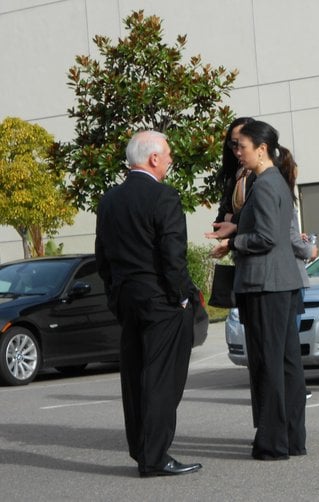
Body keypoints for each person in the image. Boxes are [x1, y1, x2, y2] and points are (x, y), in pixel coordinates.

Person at [95, 130, 202, 477]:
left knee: (135, 377)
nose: (170, 160)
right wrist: (184, 295)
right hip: (161, 301)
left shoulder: (109, 200)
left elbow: (103, 257)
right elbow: (173, 256)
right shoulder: (164, 197)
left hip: (127, 298)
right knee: (161, 380)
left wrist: (115, 293)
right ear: (154, 158)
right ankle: (155, 457)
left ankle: (143, 451)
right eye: (168, 154)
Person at [212, 120, 307, 460]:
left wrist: (233, 241)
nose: (237, 152)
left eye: (242, 147)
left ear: (262, 148)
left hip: (265, 284)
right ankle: (292, 439)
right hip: (278, 283)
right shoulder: (273, 181)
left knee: (268, 366)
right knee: (286, 364)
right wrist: (237, 225)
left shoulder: (265, 184)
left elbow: (267, 237)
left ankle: (272, 443)